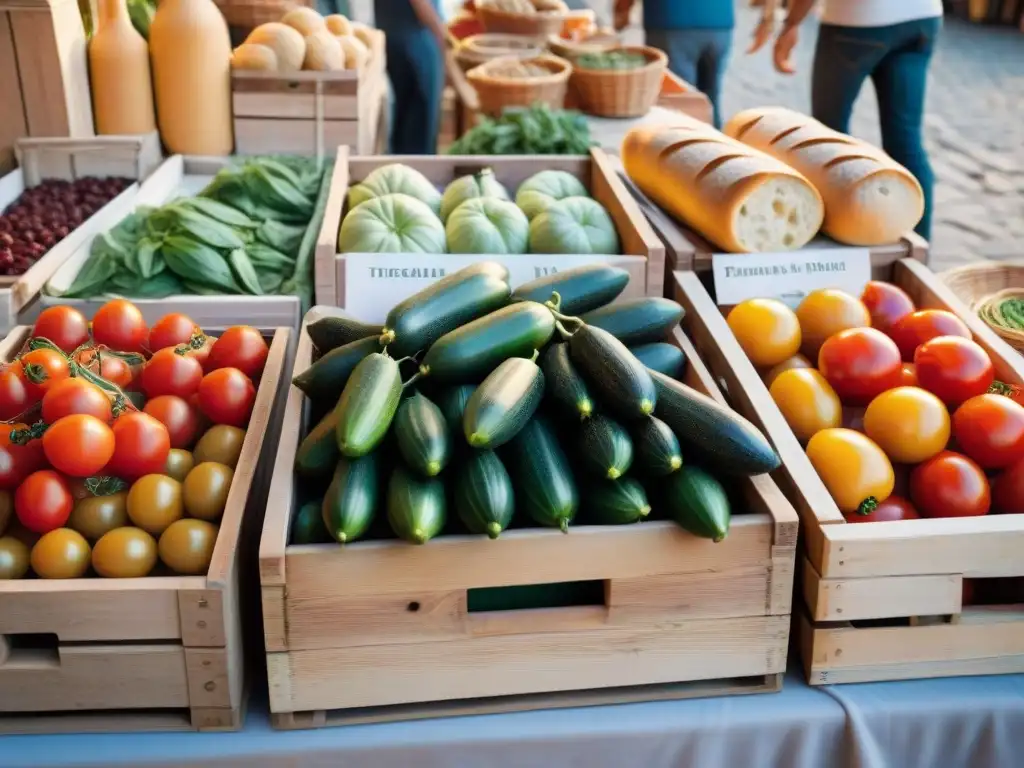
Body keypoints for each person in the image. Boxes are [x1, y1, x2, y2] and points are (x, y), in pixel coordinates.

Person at [750, 0, 942, 240]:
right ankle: (918, 249)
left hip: (857, 18)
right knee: (905, 138)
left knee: (828, 137)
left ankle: (837, 237)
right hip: (921, 16)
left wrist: (791, 23)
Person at [613, 0, 735, 128]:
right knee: (710, 98)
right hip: (720, 20)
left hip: (671, 20)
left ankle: (685, 142)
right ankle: (715, 141)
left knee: (678, 102)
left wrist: (622, 10)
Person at [375, 0, 447, 154]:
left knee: (404, 129)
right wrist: (443, 35)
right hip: (415, 41)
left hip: (395, 37)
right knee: (418, 132)